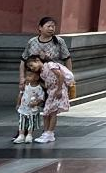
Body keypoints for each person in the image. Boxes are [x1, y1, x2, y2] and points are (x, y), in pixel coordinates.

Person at [20, 16, 71, 144]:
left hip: (53, 81)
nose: (51, 28)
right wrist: (22, 78)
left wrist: (69, 78)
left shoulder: (59, 41)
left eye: (53, 26)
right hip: (35, 80)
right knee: (29, 104)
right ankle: (24, 131)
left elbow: (67, 59)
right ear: (40, 28)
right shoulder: (32, 42)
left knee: (49, 109)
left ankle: (47, 132)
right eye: (48, 26)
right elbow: (23, 60)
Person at [38, 58, 73, 143]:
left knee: (53, 112)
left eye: (31, 65)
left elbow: (60, 76)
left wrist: (59, 89)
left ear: (37, 60)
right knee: (46, 112)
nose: (32, 67)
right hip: (51, 92)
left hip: (58, 91)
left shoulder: (50, 65)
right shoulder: (42, 73)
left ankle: (50, 132)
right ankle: (46, 132)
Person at [14, 56, 45, 143]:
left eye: (30, 76)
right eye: (26, 76)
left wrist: (36, 102)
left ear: (36, 77)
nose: (27, 78)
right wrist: (18, 104)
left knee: (31, 122)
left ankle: (29, 135)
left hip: (32, 108)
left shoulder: (39, 88)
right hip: (23, 107)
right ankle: (21, 135)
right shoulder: (25, 86)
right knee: (22, 122)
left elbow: (41, 98)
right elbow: (20, 94)